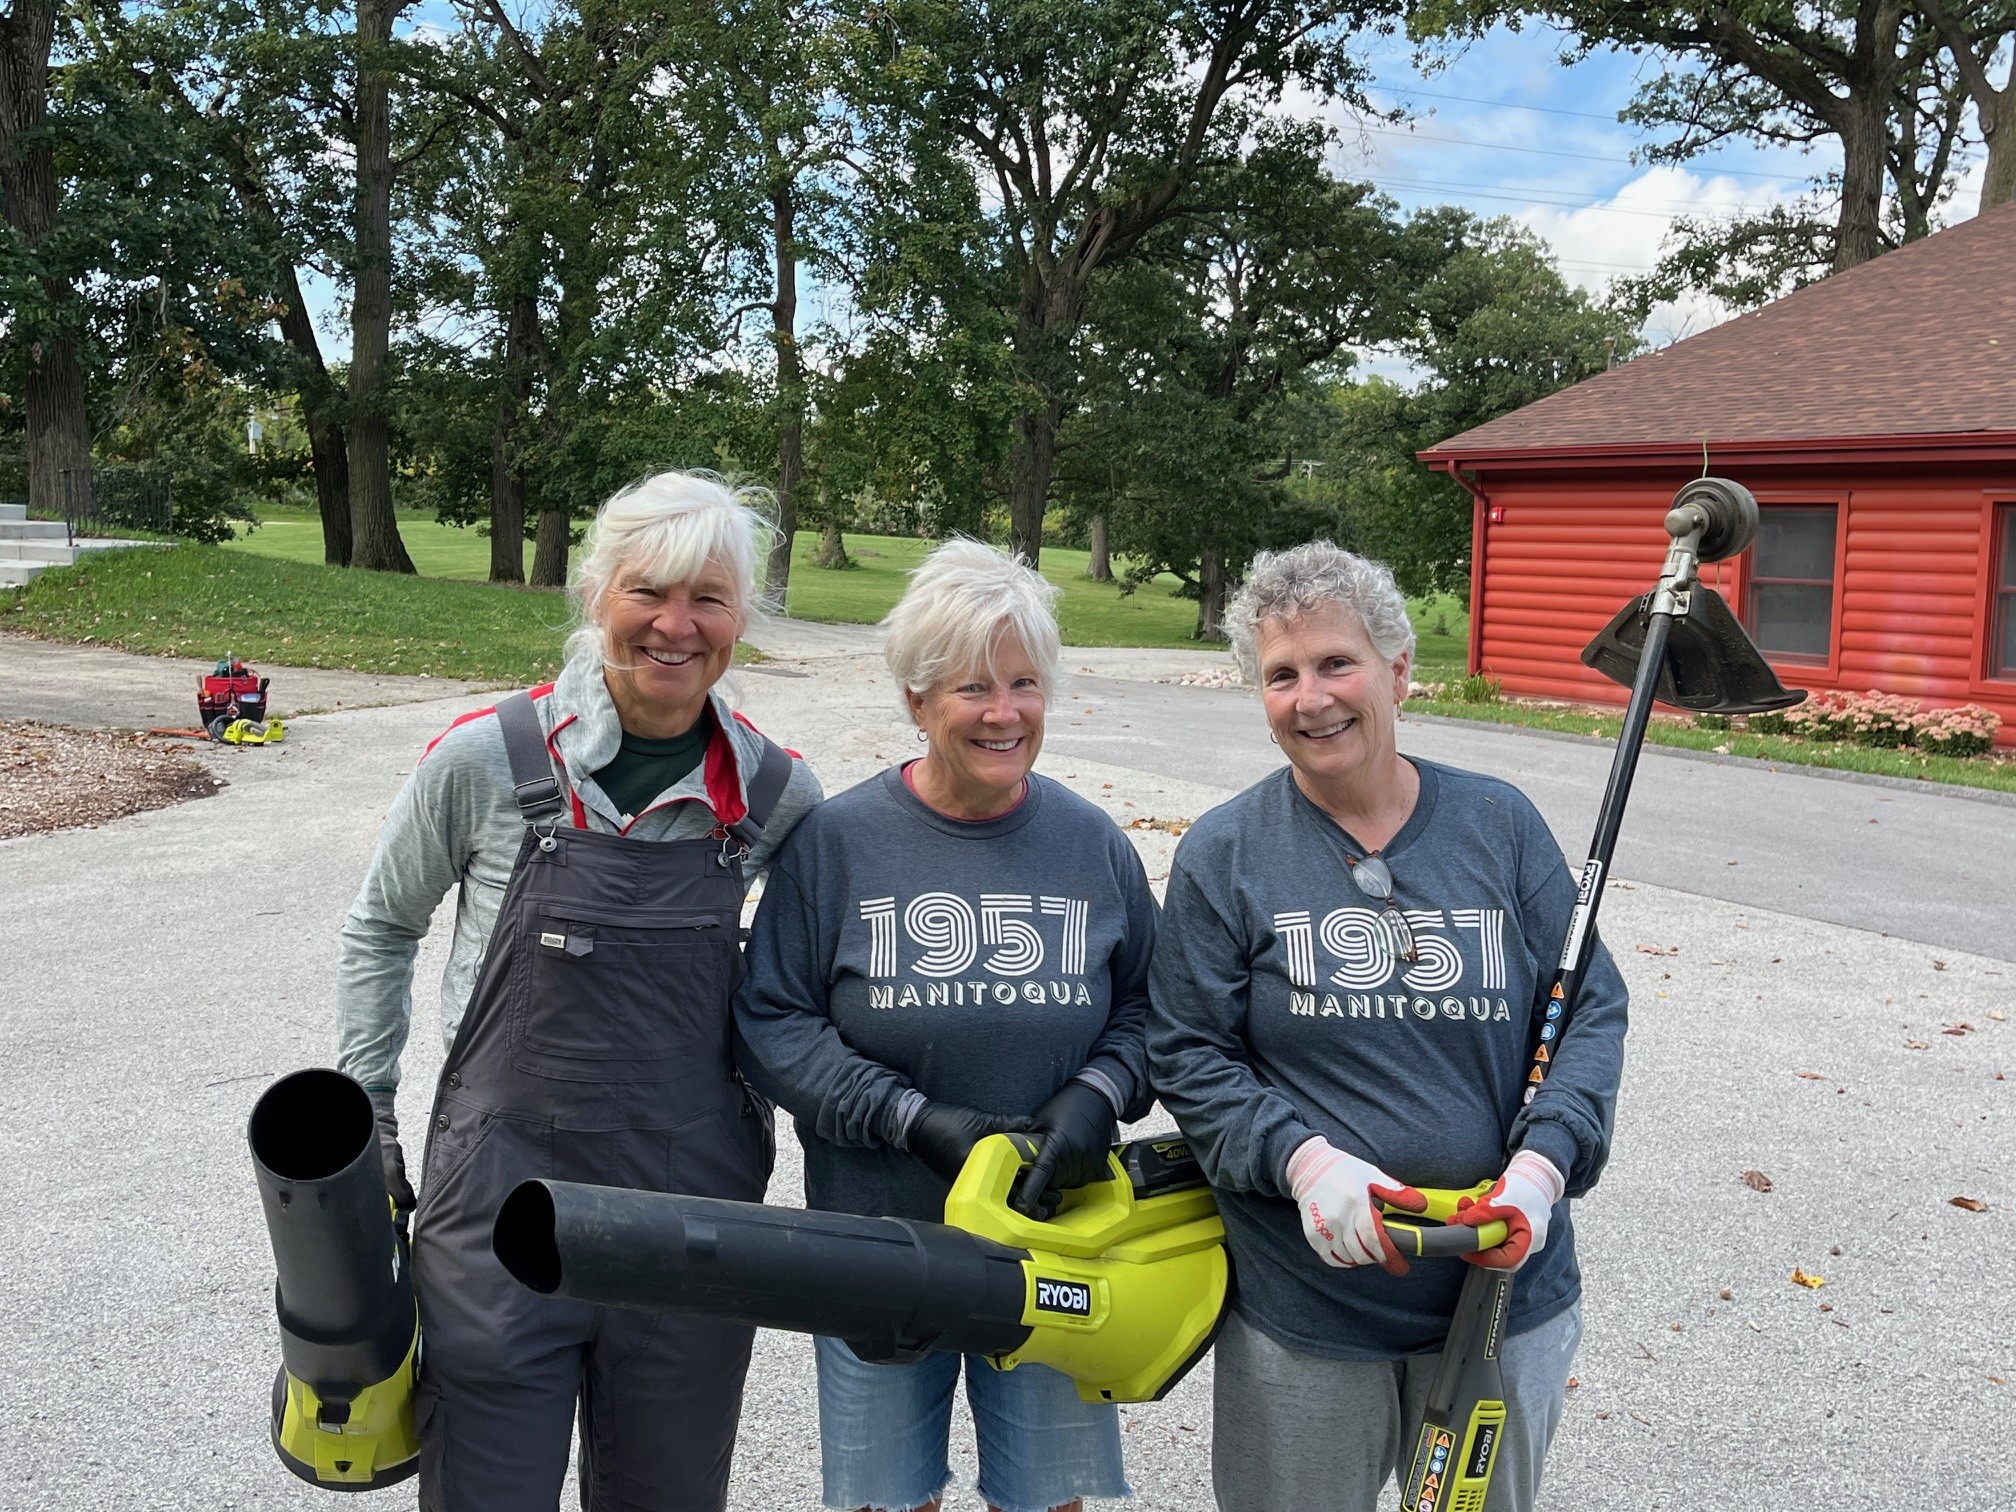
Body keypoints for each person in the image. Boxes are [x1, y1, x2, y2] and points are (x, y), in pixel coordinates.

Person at [335, 471, 821, 1512]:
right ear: (597, 594)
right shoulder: (486, 759)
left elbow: (815, 993)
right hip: (495, 1210)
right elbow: (381, 926)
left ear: (742, 617)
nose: (676, 626)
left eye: (708, 598)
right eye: (648, 591)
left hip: (694, 1224)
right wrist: (368, 1108)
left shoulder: (776, 797)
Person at [1146, 541, 1628, 1512]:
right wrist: (1298, 1161)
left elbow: (1587, 1006)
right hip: (1309, 1313)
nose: (1311, 697)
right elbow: (1188, 1051)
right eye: (1281, 674)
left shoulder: (1498, 825)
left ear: (1399, 671)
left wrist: (1545, 1166)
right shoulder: (1225, 853)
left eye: (1337, 662)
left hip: (1501, 1298)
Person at [734, 540, 1157, 1512]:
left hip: (1053, 1238)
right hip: (879, 1244)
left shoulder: (1090, 843)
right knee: (887, 1499)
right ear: (917, 700)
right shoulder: (837, 844)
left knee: (1046, 1497)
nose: (1004, 711)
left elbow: (1149, 1006)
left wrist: (1099, 1095)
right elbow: (771, 1019)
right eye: (973, 687)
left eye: (1024, 683)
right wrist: (906, 1116)